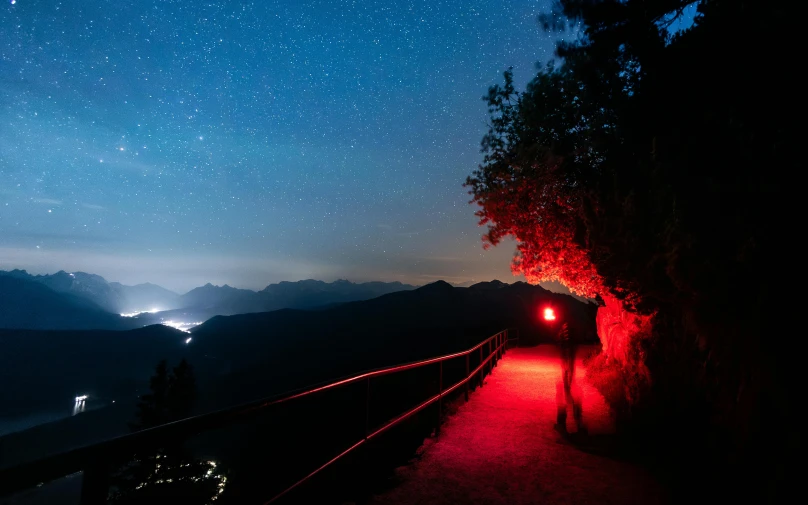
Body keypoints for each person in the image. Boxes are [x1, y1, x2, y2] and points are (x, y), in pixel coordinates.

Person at [556, 319, 586, 434]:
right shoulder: (572, 334)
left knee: (563, 395)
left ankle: (562, 424)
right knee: (571, 392)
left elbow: (560, 343)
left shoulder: (563, 334)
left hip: (566, 361)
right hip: (569, 361)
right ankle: (578, 424)